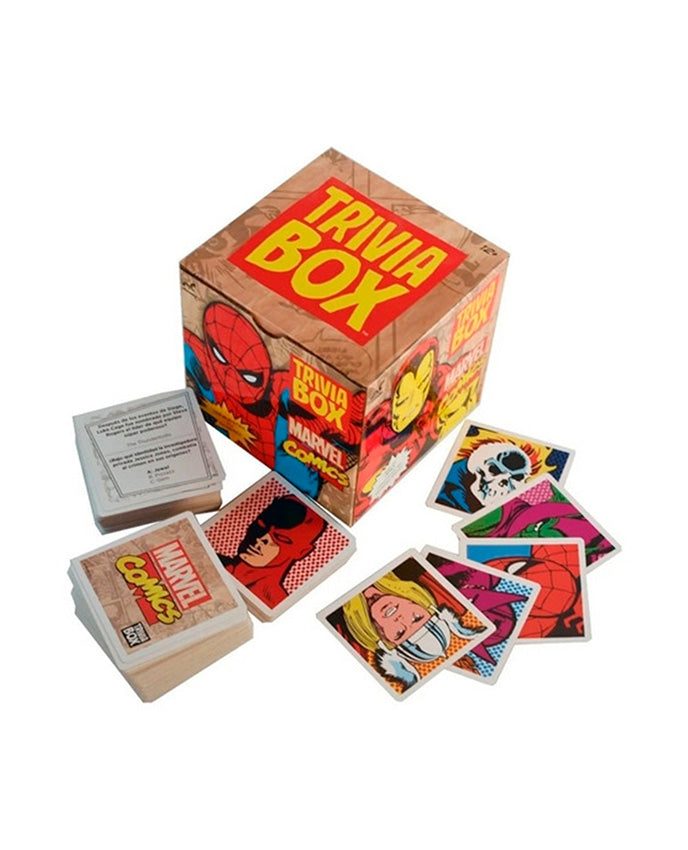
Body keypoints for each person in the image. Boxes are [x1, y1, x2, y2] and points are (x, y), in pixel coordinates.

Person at [342, 572, 484, 691]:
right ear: (424, 606)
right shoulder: (418, 573)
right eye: (416, 618)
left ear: (384, 641)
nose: (401, 619)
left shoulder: (347, 621)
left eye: (400, 633)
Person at [218, 495, 325, 609]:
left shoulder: (275, 603)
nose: (260, 539)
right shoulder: (213, 560)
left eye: (280, 538)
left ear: (302, 552)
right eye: (260, 526)